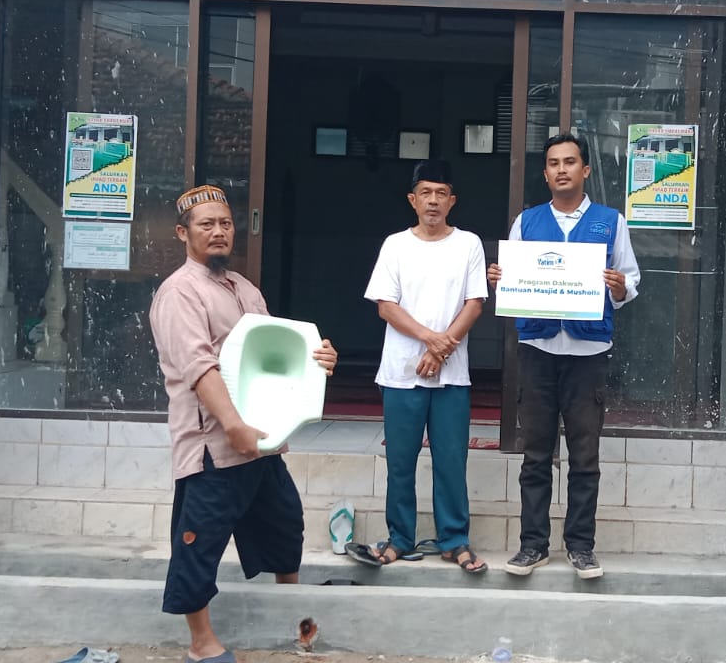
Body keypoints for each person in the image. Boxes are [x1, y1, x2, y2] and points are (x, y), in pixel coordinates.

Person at [149, 185, 338, 663]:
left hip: (262, 442)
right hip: (213, 446)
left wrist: (319, 359)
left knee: (285, 526)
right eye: (206, 225)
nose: (218, 232)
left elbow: (276, 353)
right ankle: (201, 643)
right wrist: (232, 425)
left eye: (225, 223)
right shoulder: (179, 293)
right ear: (183, 233)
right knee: (199, 540)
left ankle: (291, 617)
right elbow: (198, 368)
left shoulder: (245, 288)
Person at [486, 133, 640, 580]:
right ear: (545, 173)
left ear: (585, 170)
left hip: (588, 353)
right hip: (537, 351)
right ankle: (532, 545)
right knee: (535, 453)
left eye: (570, 162)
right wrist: (501, 278)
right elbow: (513, 279)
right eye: (553, 163)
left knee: (584, 456)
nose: (561, 170)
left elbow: (630, 280)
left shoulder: (610, 222)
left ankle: (581, 547)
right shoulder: (527, 222)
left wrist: (619, 288)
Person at [357, 160, 489, 573]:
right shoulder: (396, 245)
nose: (433, 201)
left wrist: (440, 350)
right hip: (402, 373)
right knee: (401, 462)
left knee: (451, 460)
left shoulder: (468, 244)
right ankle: (399, 539)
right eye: (426, 194)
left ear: (452, 201)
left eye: (441, 194)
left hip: (451, 375)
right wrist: (432, 340)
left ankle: (455, 540)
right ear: (412, 200)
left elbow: (475, 303)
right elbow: (386, 306)